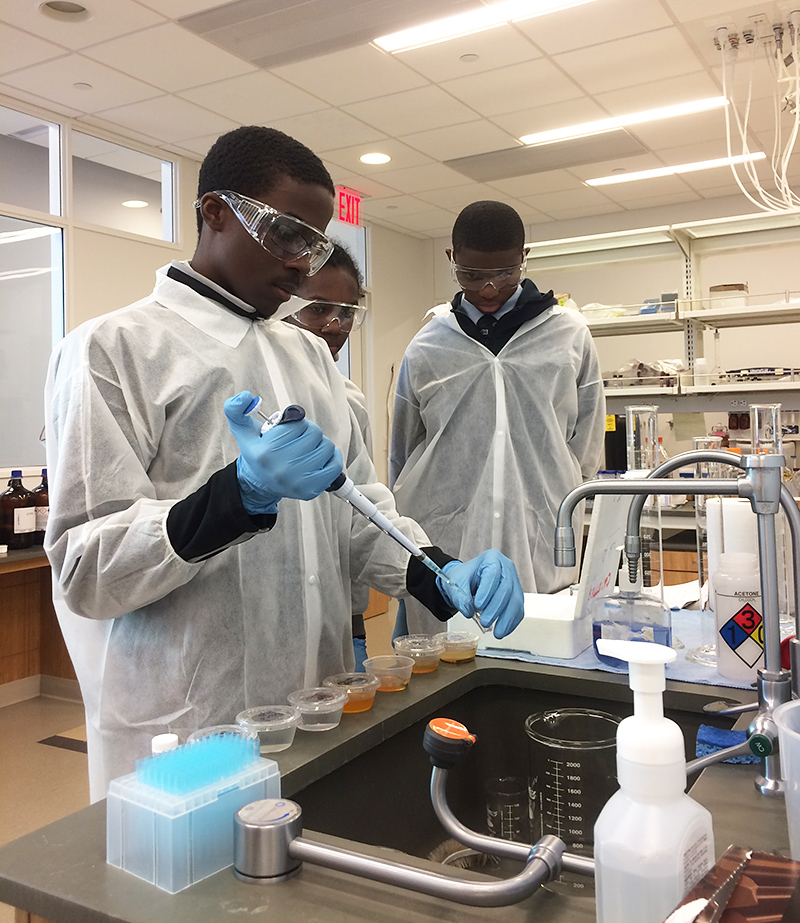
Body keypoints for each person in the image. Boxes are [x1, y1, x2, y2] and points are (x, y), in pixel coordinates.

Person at [44, 128, 524, 800]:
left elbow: (362, 517)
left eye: (317, 243)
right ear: (214, 211)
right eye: (287, 234)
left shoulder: (308, 360)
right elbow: (85, 567)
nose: (303, 264)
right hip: (190, 730)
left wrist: (441, 571)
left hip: (320, 709)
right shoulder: (112, 350)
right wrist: (237, 495)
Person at [390, 200, 605, 635]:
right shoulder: (428, 344)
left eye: (505, 274)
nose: (489, 289)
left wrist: (545, 491)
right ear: (451, 259)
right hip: (448, 542)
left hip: (542, 537)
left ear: (524, 257)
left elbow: (586, 450)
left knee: (538, 661)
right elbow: (404, 453)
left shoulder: (568, 334)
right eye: (471, 276)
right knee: (446, 675)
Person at [284, 243, 372, 670]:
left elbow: (361, 502)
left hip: (339, 604)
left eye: (348, 311)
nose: (336, 325)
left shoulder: (349, 400)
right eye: (318, 309)